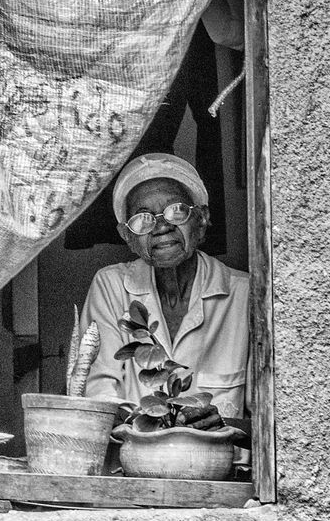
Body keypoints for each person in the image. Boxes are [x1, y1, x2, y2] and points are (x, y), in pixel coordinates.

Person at [81, 153, 249, 421]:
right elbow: (98, 398)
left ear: (202, 219)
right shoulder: (111, 287)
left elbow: (270, 419)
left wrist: (222, 424)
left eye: (177, 210)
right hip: (133, 447)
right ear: (127, 236)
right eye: (143, 218)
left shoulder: (245, 295)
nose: (161, 226)